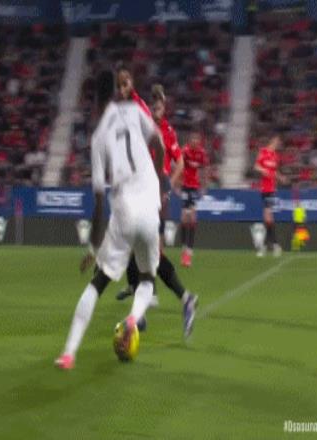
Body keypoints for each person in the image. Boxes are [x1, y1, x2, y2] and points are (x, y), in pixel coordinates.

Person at [55, 70, 165, 370]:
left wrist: (93, 248)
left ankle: (69, 353)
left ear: (94, 101)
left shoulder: (97, 138)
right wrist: (156, 182)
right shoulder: (134, 111)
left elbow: (100, 202)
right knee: (147, 279)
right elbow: (159, 145)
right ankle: (133, 319)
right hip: (149, 209)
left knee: (98, 283)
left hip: (125, 211)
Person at [114, 67, 198, 339]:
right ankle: (157, 305)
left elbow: (179, 163)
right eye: (154, 105)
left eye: (160, 105)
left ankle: (161, 304)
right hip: (142, 193)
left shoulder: (166, 131)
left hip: (153, 196)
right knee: (144, 252)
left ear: (164, 106)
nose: (156, 109)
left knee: (147, 253)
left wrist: (167, 187)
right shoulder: (144, 124)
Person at [180, 132, 210, 267]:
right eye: (193, 140)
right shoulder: (185, 151)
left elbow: (205, 169)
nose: (195, 142)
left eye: (197, 140)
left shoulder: (201, 153)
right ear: (190, 140)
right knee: (184, 219)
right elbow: (178, 166)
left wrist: (204, 186)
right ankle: (184, 249)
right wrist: (177, 184)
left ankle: (188, 253)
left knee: (192, 218)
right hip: (185, 186)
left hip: (194, 187)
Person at [254, 135, 286, 257]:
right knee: (268, 218)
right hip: (264, 188)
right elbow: (256, 166)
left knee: (268, 216)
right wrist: (263, 170)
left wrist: (280, 177)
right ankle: (272, 245)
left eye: (279, 142)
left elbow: (274, 171)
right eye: (276, 141)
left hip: (272, 189)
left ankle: (269, 245)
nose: (278, 144)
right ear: (272, 141)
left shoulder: (275, 156)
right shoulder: (263, 152)